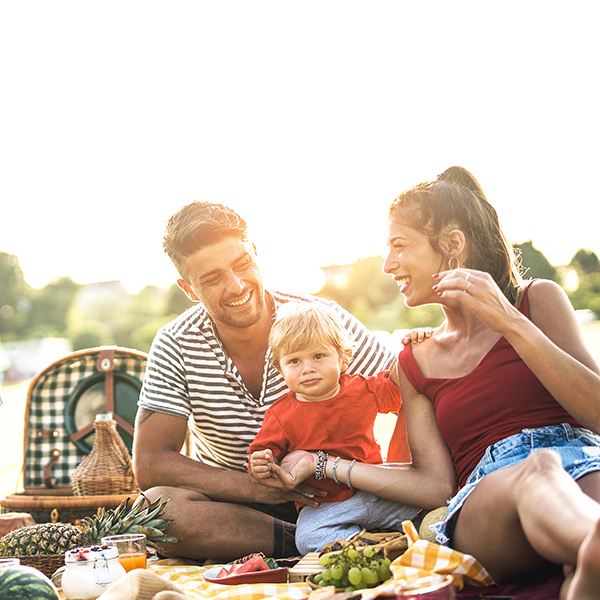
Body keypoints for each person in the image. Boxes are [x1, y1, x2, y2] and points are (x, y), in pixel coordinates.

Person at [264, 167, 600, 600]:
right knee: (539, 470)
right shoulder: (414, 361)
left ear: (453, 245)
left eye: (399, 246)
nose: (387, 265)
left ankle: (587, 559)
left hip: (584, 459)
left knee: (574, 559)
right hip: (489, 500)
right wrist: (326, 464)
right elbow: (436, 486)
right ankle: (591, 544)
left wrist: (512, 323)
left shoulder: (537, 301)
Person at [132, 200, 400, 562]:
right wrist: (257, 489)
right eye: (212, 278)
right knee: (154, 510)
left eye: (242, 265)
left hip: (346, 497)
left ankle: (332, 535)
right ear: (189, 289)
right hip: (242, 511)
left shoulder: (319, 320)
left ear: (255, 253)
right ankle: (310, 542)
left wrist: (401, 479)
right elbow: (151, 463)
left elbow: (410, 393)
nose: (236, 285)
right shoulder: (175, 342)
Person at [247, 302, 421, 554]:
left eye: (318, 356)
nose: (308, 368)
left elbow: (402, 386)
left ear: (344, 358)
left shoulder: (363, 390)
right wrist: (261, 463)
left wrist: (413, 347)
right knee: (307, 537)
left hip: (376, 490)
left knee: (429, 508)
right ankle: (371, 545)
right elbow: (262, 455)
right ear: (280, 368)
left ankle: (394, 539)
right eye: (294, 360)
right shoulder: (280, 415)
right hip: (327, 506)